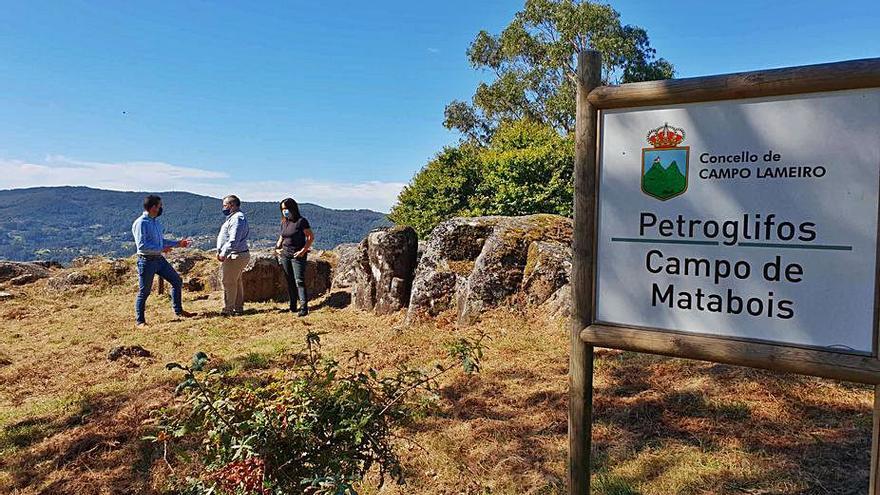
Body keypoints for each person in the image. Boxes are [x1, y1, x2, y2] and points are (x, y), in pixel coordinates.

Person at [131, 194, 194, 328]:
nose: (161, 208)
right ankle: (140, 321)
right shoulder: (141, 223)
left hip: (159, 259)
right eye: (160, 206)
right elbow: (142, 245)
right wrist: (161, 248)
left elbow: (161, 241)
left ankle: (179, 311)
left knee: (176, 281)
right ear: (153, 207)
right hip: (146, 261)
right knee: (144, 292)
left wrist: (178, 243)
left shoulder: (155, 222)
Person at [275, 197, 314, 316]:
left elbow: (310, 237)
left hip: (297, 255)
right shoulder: (284, 222)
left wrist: (303, 251)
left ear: (292, 208)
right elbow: (282, 236)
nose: (284, 211)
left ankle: (304, 308)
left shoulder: (301, 221)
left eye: (286, 208)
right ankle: (293, 306)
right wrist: (277, 247)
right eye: (282, 209)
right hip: (285, 255)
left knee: (299, 281)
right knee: (289, 280)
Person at [216, 195, 250, 316]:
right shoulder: (234, 218)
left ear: (232, 205)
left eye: (225, 205)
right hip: (236, 254)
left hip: (235, 255)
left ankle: (228, 309)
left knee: (228, 282)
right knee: (236, 281)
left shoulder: (237, 219)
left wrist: (223, 253)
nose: (223, 208)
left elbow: (233, 240)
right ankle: (238, 307)